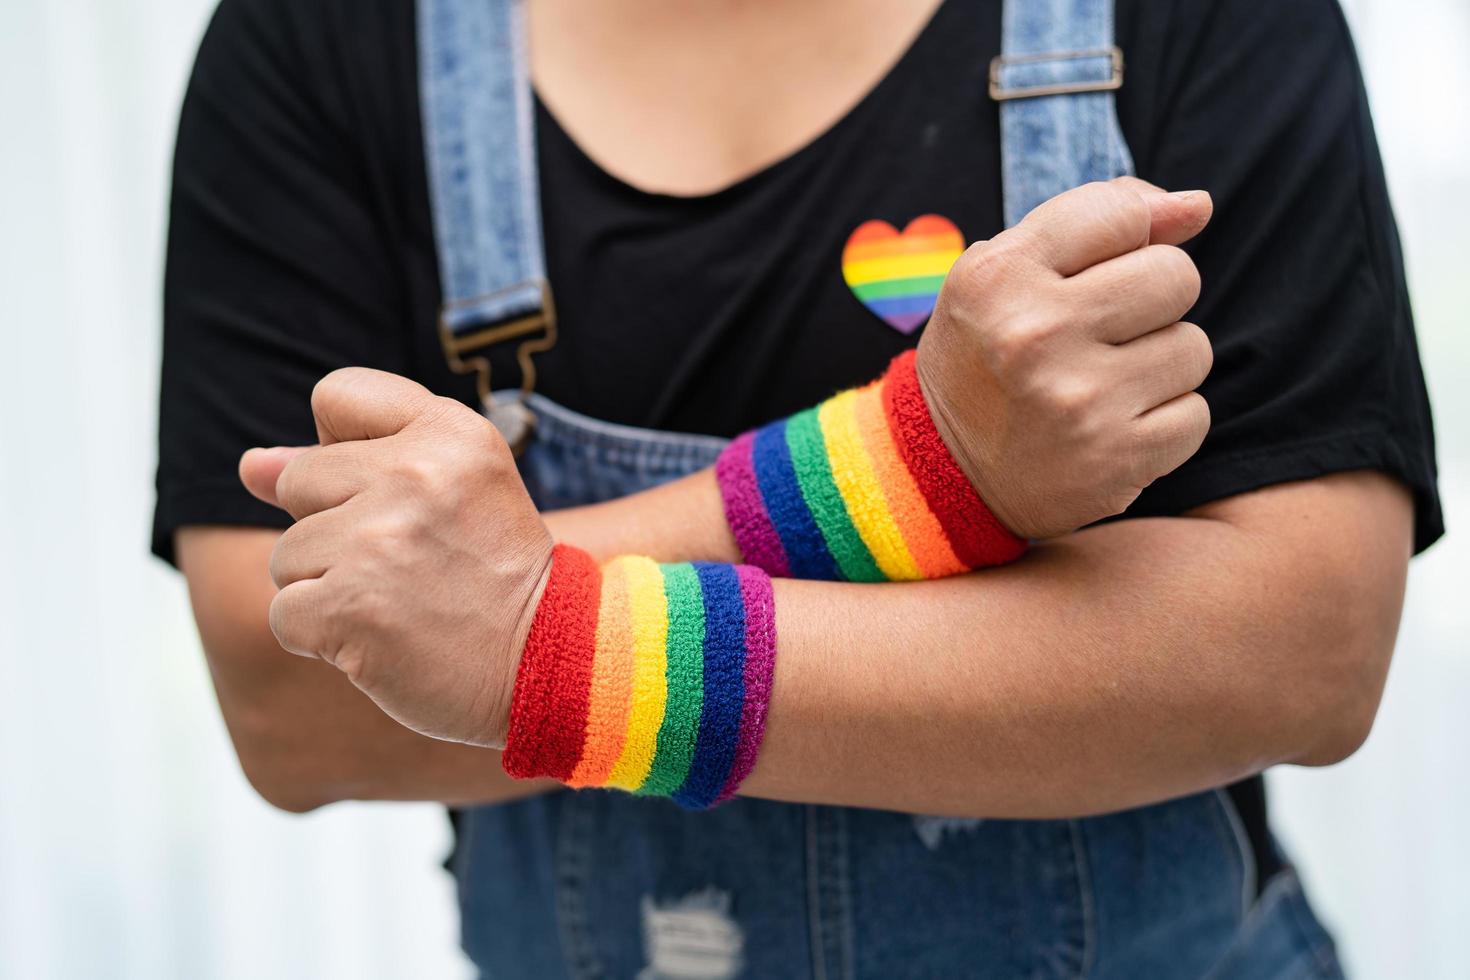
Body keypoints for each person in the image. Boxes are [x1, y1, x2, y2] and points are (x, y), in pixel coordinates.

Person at [154, 0, 1441, 976]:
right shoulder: (318, 41)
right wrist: (911, 469)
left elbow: (1305, 648)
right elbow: (290, 704)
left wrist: (545, 641)